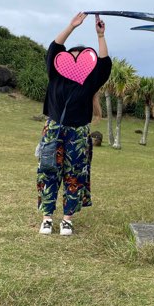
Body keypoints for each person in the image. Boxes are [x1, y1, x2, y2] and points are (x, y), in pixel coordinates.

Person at [36, 12, 111, 235]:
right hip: (54, 129)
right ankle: (47, 218)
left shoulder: (90, 83)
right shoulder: (55, 75)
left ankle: (67, 219)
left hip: (78, 132)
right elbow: (54, 49)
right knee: (48, 170)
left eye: (83, 59)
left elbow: (105, 64)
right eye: (73, 56)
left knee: (75, 174)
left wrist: (100, 35)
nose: (77, 60)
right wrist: (71, 26)